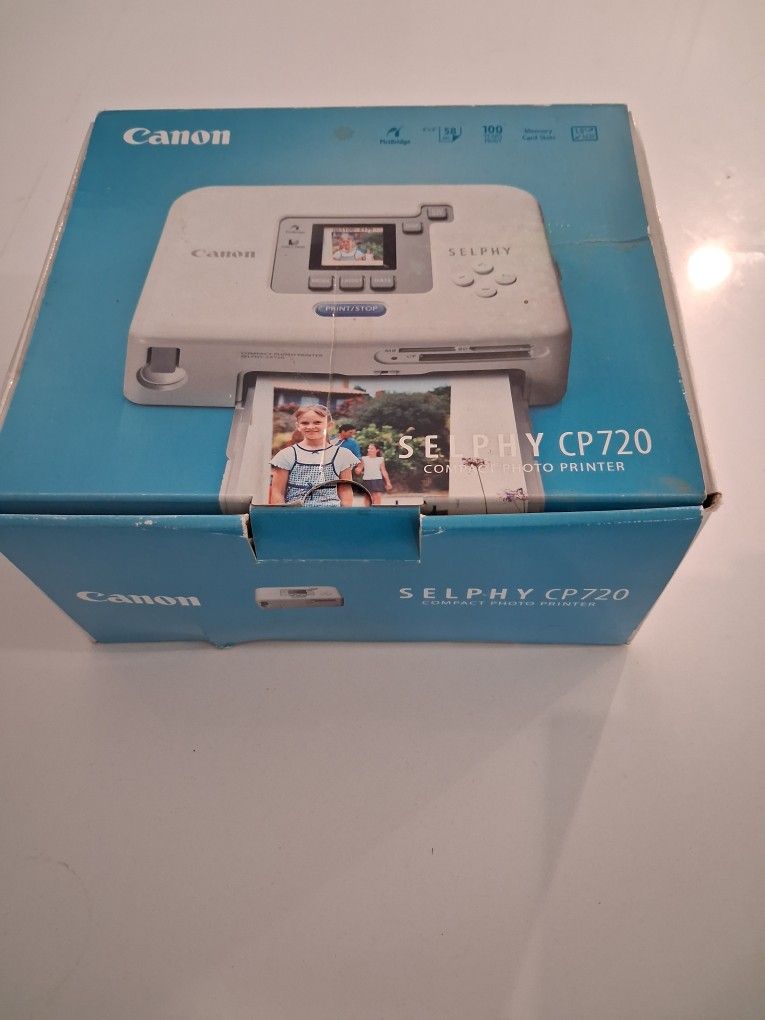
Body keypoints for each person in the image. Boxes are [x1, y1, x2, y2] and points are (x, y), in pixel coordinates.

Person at [270, 405, 358, 507]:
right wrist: (282, 515)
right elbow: (277, 492)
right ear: (298, 426)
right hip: (296, 514)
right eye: (305, 423)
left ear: (329, 425)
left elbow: (345, 491)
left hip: (330, 514)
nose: (311, 427)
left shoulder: (342, 454)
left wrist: (344, 515)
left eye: (317, 422)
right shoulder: (286, 455)